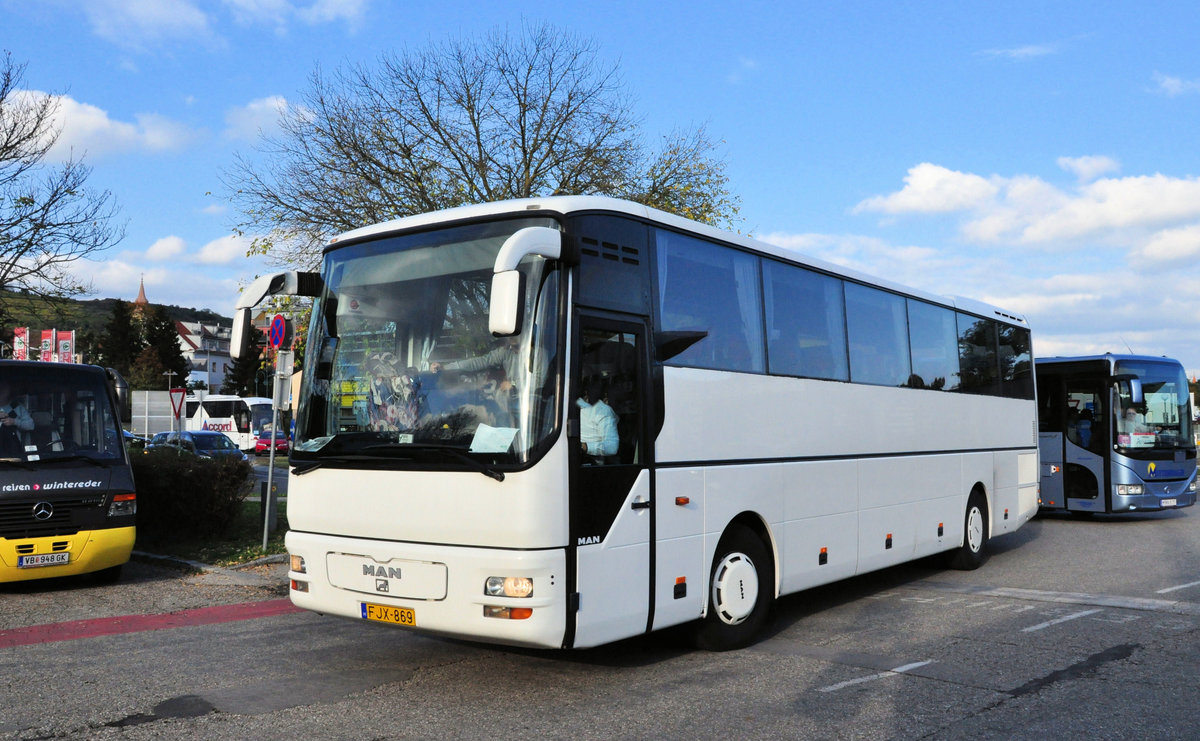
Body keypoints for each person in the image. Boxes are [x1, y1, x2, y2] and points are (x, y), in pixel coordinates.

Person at [577, 377, 619, 461]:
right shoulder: (568, 406)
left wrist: (585, 447)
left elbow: (612, 447)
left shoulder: (603, 411)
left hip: (593, 463)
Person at [0, 379, 34, 457]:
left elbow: (30, 425)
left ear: (9, 390)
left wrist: (14, 422)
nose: (0, 391)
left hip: (13, 453)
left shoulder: (17, 407)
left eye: (3, 388)